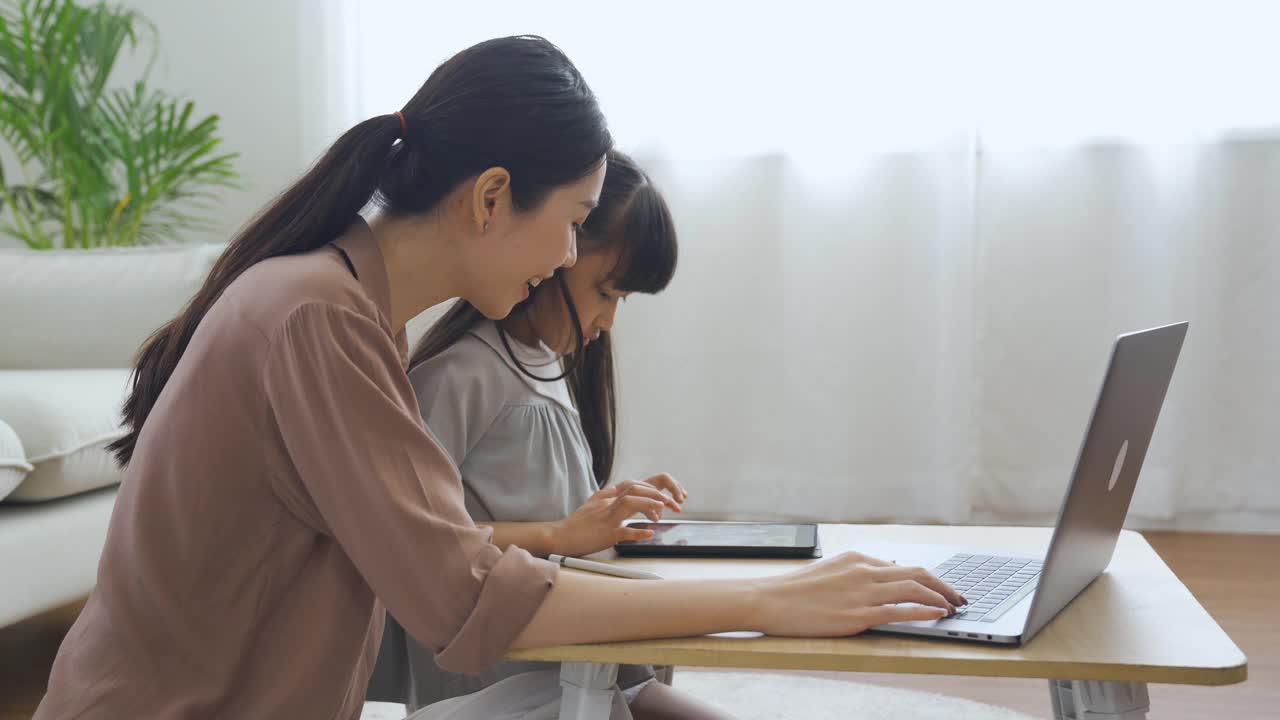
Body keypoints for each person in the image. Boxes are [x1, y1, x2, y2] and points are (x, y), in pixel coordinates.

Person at [33, 36, 963, 720]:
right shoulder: (316, 316)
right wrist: (772, 603)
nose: (567, 255)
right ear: (489, 197)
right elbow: (469, 597)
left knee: (620, 707)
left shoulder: (341, 307)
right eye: (573, 219)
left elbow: (458, 569)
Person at [368, 150, 732, 718]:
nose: (610, 319)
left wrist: (607, 512)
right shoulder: (460, 376)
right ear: (556, 254)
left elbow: (547, 516)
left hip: (582, 664)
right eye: (607, 292)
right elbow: (423, 546)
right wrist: (559, 534)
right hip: (507, 687)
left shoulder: (551, 367)